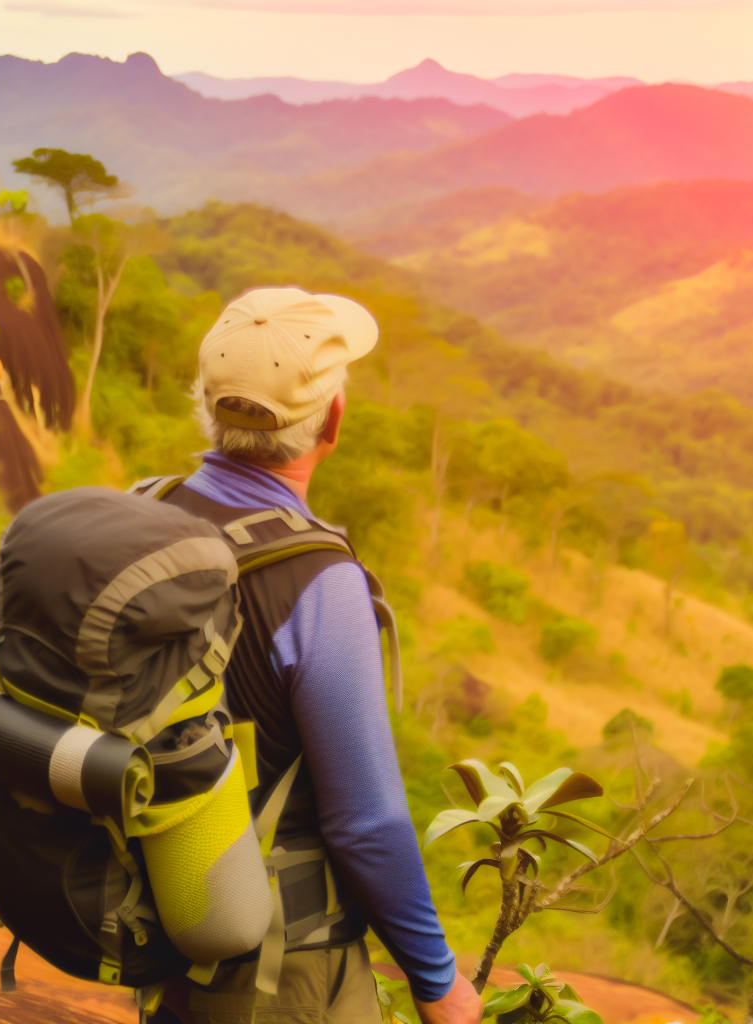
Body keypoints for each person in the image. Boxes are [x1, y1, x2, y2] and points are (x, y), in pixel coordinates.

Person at [153, 288, 484, 1024]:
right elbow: (367, 822)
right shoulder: (317, 582)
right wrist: (438, 982)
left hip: (166, 918)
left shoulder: (148, 513)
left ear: (207, 406)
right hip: (281, 963)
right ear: (333, 419)